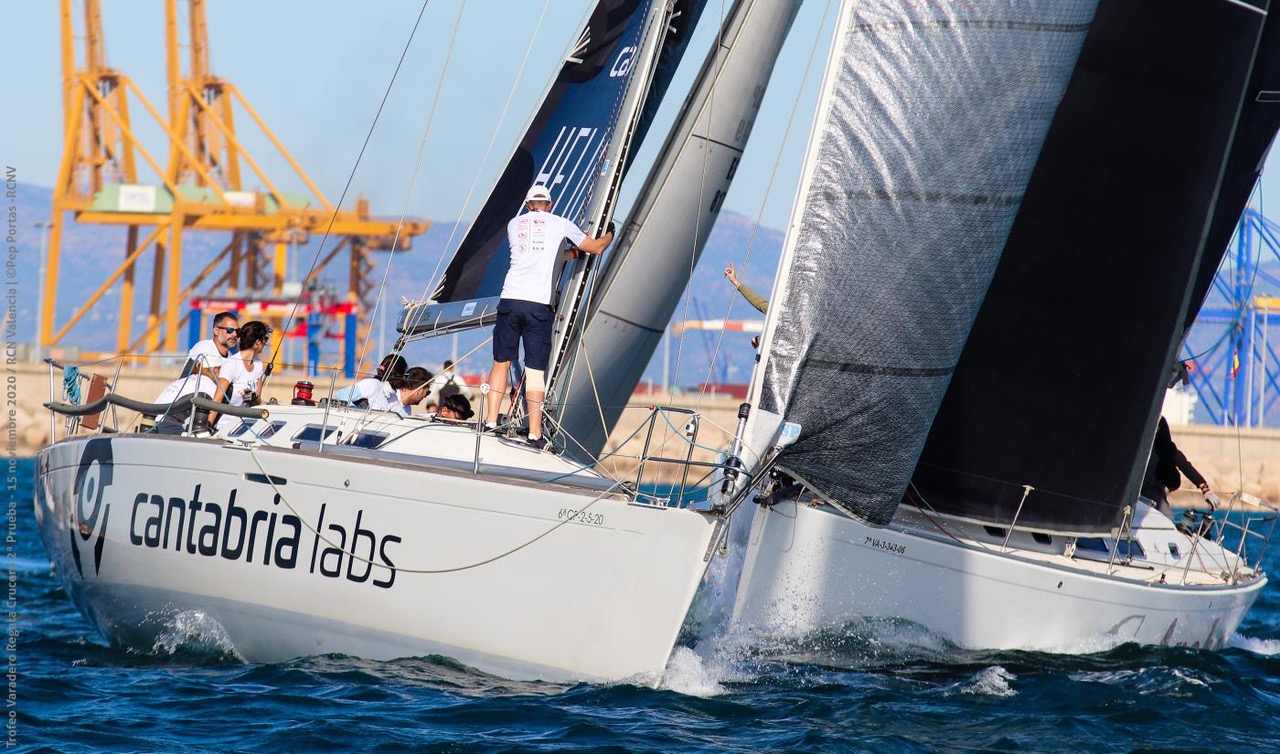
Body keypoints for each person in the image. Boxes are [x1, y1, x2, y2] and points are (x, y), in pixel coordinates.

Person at [485, 184, 614, 450]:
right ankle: (534, 434)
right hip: (538, 307)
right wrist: (610, 233)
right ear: (550, 205)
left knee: (501, 363)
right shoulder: (561, 224)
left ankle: (488, 423)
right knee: (534, 372)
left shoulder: (514, 224)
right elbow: (596, 248)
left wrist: (569, 254)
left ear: (528, 205)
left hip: (510, 299)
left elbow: (538, 255)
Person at [1141, 415, 1214, 516]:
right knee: (1166, 516)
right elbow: (1184, 464)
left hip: (1155, 486)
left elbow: (1184, 464)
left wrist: (1205, 488)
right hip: (1144, 488)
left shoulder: (1166, 448)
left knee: (1166, 515)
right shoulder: (1145, 447)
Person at [209, 321, 272, 432]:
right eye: (265, 340)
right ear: (257, 342)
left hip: (245, 429)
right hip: (223, 428)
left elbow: (257, 403)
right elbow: (217, 400)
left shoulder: (259, 365)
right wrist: (207, 427)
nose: (266, 343)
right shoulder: (232, 364)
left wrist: (253, 398)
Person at [152, 365, 219, 435]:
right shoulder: (208, 385)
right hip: (169, 426)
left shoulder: (184, 380)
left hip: (152, 422)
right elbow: (215, 406)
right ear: (215, 370)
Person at [333, 354, 408, 408]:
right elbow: (341, 395)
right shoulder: (372, 385)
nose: (405, 379)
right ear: (397, 375)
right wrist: (356, 412)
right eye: (404, 376)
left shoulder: (393, 397)